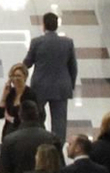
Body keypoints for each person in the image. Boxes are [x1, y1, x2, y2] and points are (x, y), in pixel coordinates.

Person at [22, 12, 78, 146]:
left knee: (37, 116)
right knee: (59, 121)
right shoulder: (68, 43)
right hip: (61, 87)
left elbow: (27, 63)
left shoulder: (37, 42)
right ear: (57, 25)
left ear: (44, 25)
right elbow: (73, 67)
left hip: (40, 86)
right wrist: (71, 85)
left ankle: (39, 142)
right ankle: (57, 146)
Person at [0, 62, 28, 134]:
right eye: (13, 76)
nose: (16, 79)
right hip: (9, 133)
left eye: (18, 76)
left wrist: (10, 118)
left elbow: (28, 118)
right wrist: (4, 96)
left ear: (25, 77)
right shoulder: (11, 93)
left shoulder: (29, 94)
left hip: (23, 132)